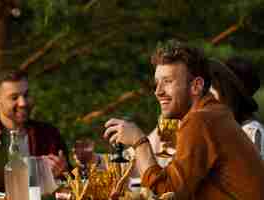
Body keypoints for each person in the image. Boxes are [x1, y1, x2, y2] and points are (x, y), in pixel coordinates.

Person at [103, 40, 264, 199]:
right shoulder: (214, 112)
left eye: (167, 82)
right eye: (157, 83)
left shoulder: (201, 120)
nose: (158, 92)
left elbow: (168, 192)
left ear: (196, 86)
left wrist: (139, 142)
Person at [0, 69, 72, 199]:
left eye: (26, 95)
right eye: (14, 97)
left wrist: (64, 172)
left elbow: (70, 190)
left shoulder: (49, 134)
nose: (23, 103)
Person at [210, 57, 264, 159]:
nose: (210, 93)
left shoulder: (250, 132)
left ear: (229, 93)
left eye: (215, 87)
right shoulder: (224, 125)